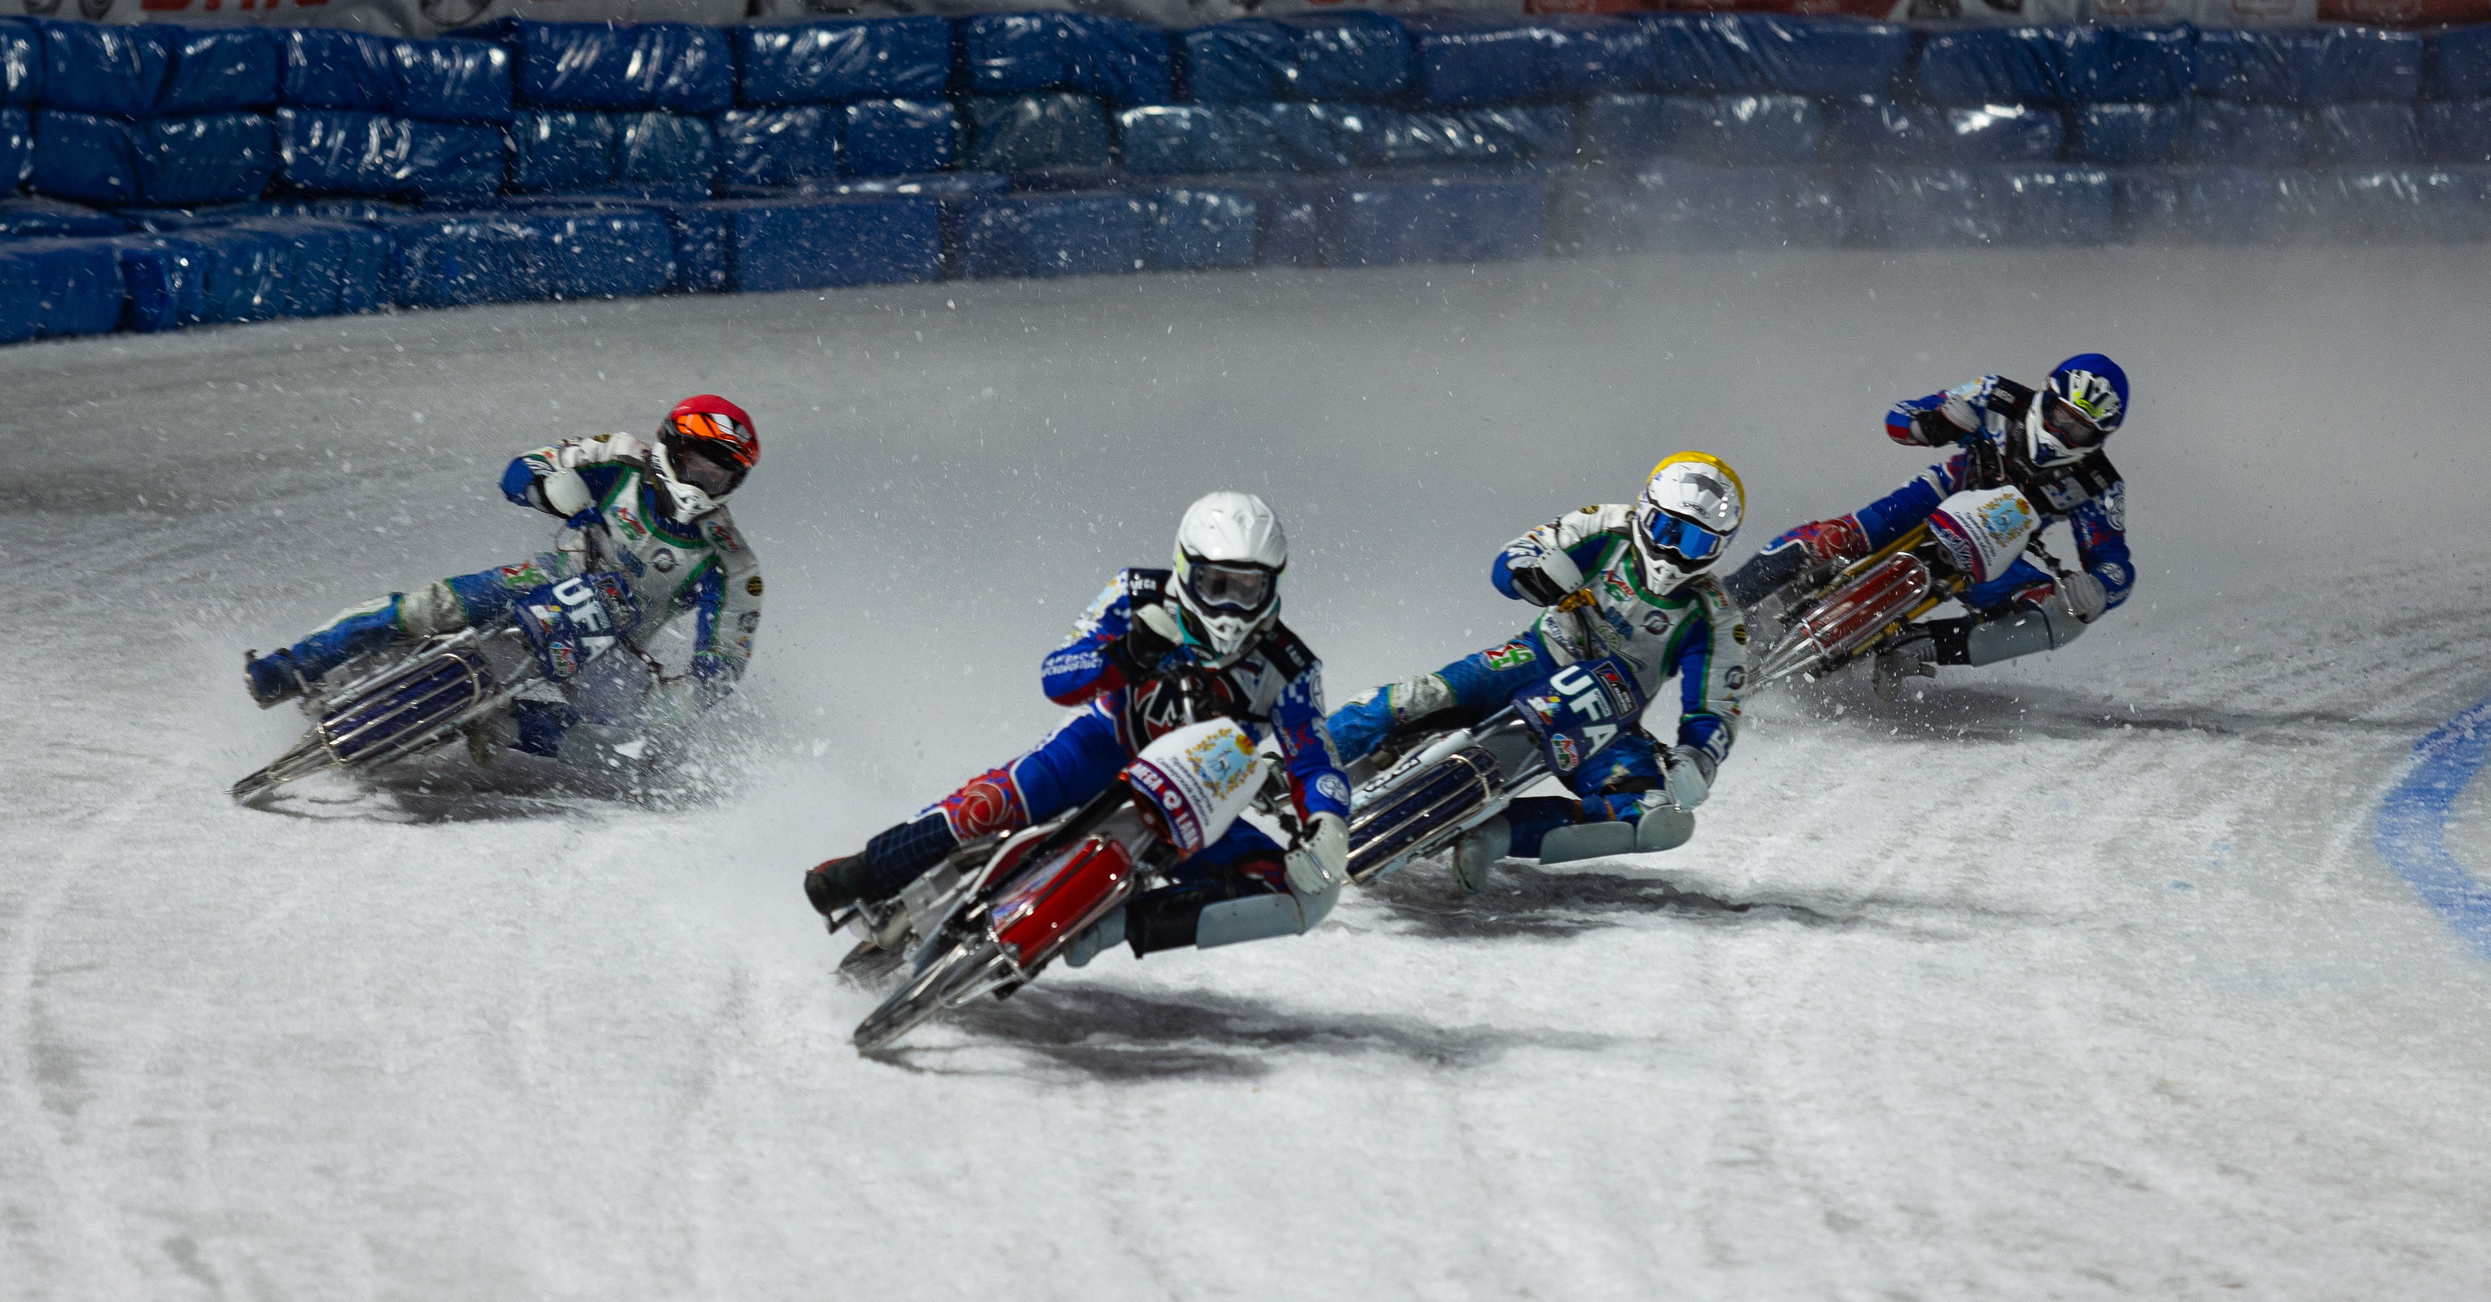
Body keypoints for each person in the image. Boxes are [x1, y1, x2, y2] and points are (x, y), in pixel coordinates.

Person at [803, 492, 1351, 956]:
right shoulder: (1136, 593)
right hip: (1101, 746)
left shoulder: (1291, 666)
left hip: (1199, 796)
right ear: (1186, 571)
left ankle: (1107, 926)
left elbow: (1313, 755)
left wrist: (1327, 823)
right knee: (992, 805)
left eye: (1247, 589)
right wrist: (1123, 656)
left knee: (1273, 883)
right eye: (1216, 584)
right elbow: (1056, 674)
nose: (1231, 606)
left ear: (1273, 586)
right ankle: (869, 870)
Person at [242, 395, 764, 769]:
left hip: (616, 648)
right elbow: (521, 470)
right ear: (669, 447)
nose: (701, 480)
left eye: (717, 475)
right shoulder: (619, 456)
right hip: (548, 576)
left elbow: (723, 662)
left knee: (639, 754)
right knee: (428, 606)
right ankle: (293, 666)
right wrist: (555, 492)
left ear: (734, 483)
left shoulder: (731, 564)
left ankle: (501, 724)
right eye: (696, 463)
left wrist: (683, 700)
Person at [1325, 453, 1750, 892]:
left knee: (1659, 819)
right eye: (1667, 529)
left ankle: (1494, 835)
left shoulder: (1714, 615)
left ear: (1721, 547)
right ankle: (1303, 758)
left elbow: (1715, 709)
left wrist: (1697, 760)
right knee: (1425, 694)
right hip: (1535, 659)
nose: (1673, 553)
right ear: (1644, 509)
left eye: (1697, 543)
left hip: (1610, 720)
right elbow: (1515, 555)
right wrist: (1530, 573)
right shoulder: (1604, 527)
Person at [1722, 355, 2132, 696]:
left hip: (2000, 543)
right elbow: (1898, 418)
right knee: (1835, 538)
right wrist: (1934, 423)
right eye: (2062, 415)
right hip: (1936, 492)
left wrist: (2100, 590)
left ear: (2101, 435)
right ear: (2047, 396)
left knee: (2064, 621)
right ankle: (1726, 597)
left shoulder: (2099, 484)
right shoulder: (1995, 395)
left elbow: (2115, 562)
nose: (2064, 431)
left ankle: (1919, 647)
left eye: (2080, 428)